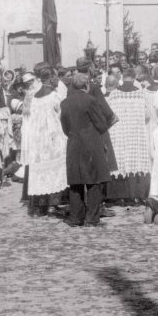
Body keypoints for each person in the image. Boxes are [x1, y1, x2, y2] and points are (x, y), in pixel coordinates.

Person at [60, 72, 112, 227]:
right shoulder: (91, 101)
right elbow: (101, 125)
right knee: (94, 181)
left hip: (74, 143)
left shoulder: (65, 103)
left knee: (75, 182)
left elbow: (65, 126)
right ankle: (92, 218)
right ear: (86, 85)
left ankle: (75, 217)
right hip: (91, 143)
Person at [20, 68, 69, 216]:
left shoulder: (33, 97)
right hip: (52, 137)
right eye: (55, 77)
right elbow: (61, 114)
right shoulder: (54, 95)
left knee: (41, 170)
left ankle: (40, 205)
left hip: (37, 139)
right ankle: (52, 204)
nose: (56, 80)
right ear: (50, 78)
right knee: (55, 170)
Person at [105, 68, 152, 202]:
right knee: (135, 159)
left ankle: (119, 197)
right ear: (134, 77)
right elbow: (147, 115)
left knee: (120, 160)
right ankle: (137, 195)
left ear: (122, 77)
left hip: (118, 133)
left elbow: (108, 114)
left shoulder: (113, 94)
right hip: (136, 133)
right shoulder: (141, 94)